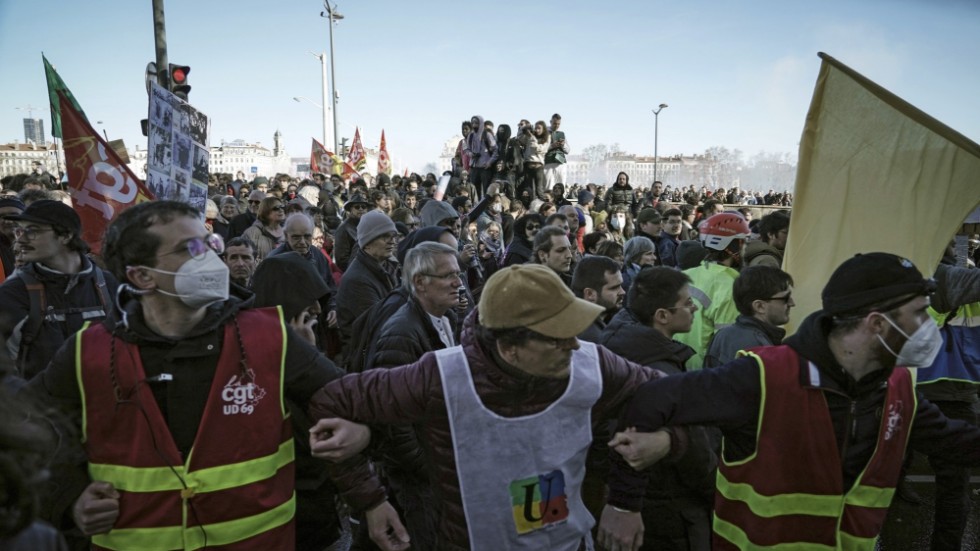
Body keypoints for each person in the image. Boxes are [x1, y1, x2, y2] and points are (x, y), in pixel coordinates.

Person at [26, 200, 405, 551]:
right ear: (142, 276)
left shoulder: (268, 335)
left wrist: (365, 437)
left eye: (211, 243)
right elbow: (25, 435)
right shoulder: (86, 353)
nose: (211, 257)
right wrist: (70, 497)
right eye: (190, 249)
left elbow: (349, 399)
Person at [608, 252, 980, 551]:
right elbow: (652, 398)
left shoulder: (897, 388)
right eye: (918, 312)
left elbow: (955, 442)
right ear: (877, 323)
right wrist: (625, 504)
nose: (928, 325)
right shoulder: (764, 376)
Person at [307, 264, 681, 550]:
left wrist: (638, 484)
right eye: (557, 339)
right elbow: (330, 401)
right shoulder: (441, 377)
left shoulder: (593, 363)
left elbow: (675, 400)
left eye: (574, 332)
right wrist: (371, 500)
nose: (573, 347)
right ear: (509, 347)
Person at [599, 267, 715, 551]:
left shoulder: (623, 342)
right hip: (667, 510)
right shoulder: (659, 371)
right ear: (662, 315)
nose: (695, 309)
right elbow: (696, 456)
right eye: (688, 303)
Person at [0, 200, 116, 381]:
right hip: (41, 407)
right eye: (19, 230)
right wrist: (23, 400)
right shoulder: (14, 293)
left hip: (102, 406)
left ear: (66, 236)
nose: (20, 239)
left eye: (32, 231)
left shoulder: (109, 285)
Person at [675, 212, 750, 370]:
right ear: (733, 245)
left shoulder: (686, 275)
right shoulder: (731, 287)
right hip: (705, 374)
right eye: (743, 241)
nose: (745, 247)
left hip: (677, 366)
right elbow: (728, 345)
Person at [704, 265, 794, 368]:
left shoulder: (723, 335)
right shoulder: (757, 349)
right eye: (785, 298)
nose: (792, 303)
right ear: (759, 306)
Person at [336, 210, 399, 350]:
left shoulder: (389, 266)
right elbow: (381, 323)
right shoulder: (357, 280)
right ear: (367, 243)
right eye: (384, 236)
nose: (392, 241)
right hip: (366, 353)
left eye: (393, 236)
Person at [572, 255, 625, 342]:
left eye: (621, 286)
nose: (622, 292)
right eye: (614, 288)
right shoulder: (591, 338)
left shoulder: (607, 321)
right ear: (589, 294)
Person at [333, 193, 371, 271]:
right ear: (351, 209)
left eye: (363, 207)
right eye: (357, 207)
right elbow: (341, 260)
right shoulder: (343, 229)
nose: (361, 209)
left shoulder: (369, 225)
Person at [242, 196, 285, 260]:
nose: (281, 210)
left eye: (282, 207)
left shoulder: (286, 232)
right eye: (276, 208)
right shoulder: (252, 233)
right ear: (265, 211)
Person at [544, 113, 570, 191]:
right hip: (548, 163)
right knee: (549, 187)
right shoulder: (544, 133)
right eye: (555, 123)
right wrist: (552, 146)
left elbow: (568, 150)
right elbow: (539, 149)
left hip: (561, 163)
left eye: (558, 124)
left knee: (561, 186)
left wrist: (563, 145)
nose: (557, 126)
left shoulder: (562, 134)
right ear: (550, 122)